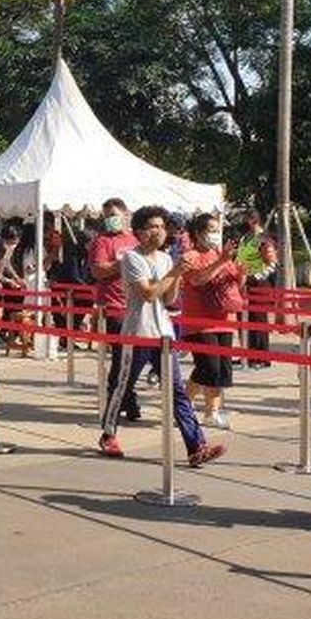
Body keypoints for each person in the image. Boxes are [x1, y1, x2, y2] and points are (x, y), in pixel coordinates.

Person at [98, 206, 226, 467]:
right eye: (152, 227)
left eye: (161, 226)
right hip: (137, 333)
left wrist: (177, 273)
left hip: (163, 334)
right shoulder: (132, 259)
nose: (158, 231)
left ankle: (196, 446)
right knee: (122, 386)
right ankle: (108, 433)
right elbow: (148, 294)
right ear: (140, 232)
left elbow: (168, 299)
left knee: (177, 392)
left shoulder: (166, 259)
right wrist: (175, 272)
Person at [181, 213, 245, 429]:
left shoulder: (221, 255)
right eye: (211, 229)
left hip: (224, 319)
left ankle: (212, 413)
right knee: (207, 367)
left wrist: (243, 270)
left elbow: (235, 281)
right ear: (198, 233)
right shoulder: (190, 256)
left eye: (218, 230)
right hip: (198, 322)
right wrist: (222, 260)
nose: (215, 234)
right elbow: (198, 279)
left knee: (221, 372)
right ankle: (182, 406)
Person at [88, 198, 140, 420]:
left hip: (137, 305)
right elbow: (98, 271)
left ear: (126, 214)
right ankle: (116, 402)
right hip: (113, 306)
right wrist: (122, 263)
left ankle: (127, 398)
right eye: (107, 215)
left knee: (136, 357)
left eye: (114, 214)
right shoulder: (102, 242)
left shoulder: (135, 239)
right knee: (121, 357)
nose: (111, 219)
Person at [241, 211, 277, 368]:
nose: (243, 222)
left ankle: (262, 357)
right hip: (244, 283)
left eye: (245, 218)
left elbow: (272, 264)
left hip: (259, 284)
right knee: (247, 320)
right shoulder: (245, 238)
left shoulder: (264, 239)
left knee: (259, 321)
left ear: (252, 220)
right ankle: (249, 355)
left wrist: (256, 277)